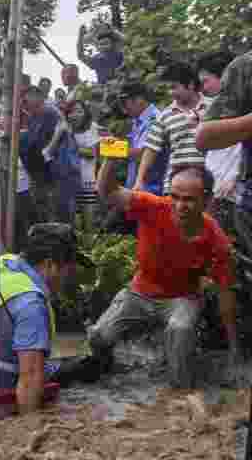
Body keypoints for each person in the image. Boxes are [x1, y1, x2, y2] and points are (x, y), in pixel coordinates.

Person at [89, 160, 240, 392]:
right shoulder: (153, 206)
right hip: (139, 292)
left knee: (180, 330)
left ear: (207, 200)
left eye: (189, 199)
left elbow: (225, 294)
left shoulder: (216, 240)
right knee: (99, 335)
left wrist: (233, 349)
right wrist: (110, 159)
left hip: (183, 298)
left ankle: (180, 394)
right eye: (175, 197)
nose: (180, 205)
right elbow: (107, 191)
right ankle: (105, 373)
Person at [0, 223, 92, 414]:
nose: (71, 277)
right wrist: (30, 430)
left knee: (69, 365)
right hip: (1, 383)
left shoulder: (3, 264)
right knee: (87, 369)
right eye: (69, 269)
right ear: (49, 265)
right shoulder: (31, 305)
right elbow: (30, 379)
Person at [133, 62, 208, 195]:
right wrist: (139, 181)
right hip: (174, 188)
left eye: (174, 87)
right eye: (168, 88)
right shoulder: (164, 115)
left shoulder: (212, 107)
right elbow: (150, 150)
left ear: (190, 85)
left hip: (207, 185)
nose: (171, 92)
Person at [196, 51, 243, 238]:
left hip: (235, 191)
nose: (204, 87)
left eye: (206, 80)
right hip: (218, 189)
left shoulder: (243, 106)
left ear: (225, 75)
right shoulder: (220, 106)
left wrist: (236, 176)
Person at [20, 86, 63, 223]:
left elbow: (49, 141)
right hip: (39, 172)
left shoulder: (49, 112)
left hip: (52, 173)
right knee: (43, 208)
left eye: (25, 101)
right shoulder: (34, 116)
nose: (23, 105)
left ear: (37, 98)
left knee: (52, 210)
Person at [120, 82, 169, 196]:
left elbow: (142, 153)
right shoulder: (137, 119)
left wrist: (110, 148)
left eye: (124, 102)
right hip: (137, 187)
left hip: (152, 188)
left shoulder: (155, 119)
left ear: (139, 99)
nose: (123, 108)